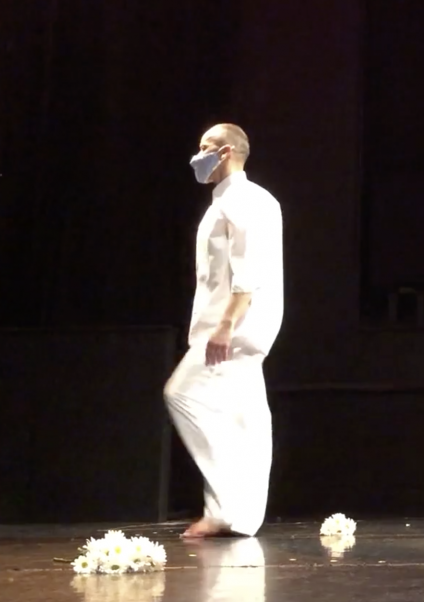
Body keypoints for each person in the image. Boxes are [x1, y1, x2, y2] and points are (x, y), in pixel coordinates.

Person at [163, 123, 284, 538]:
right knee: (244, 416)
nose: (198, 157)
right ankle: (239, 516)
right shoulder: (232, 202)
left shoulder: (244, 200)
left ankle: (227, 506)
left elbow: (248, 268)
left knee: (181, 394)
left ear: (227, 151)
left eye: (205, 148)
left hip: (234, 327)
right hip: (233, 326)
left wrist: (227, 324)